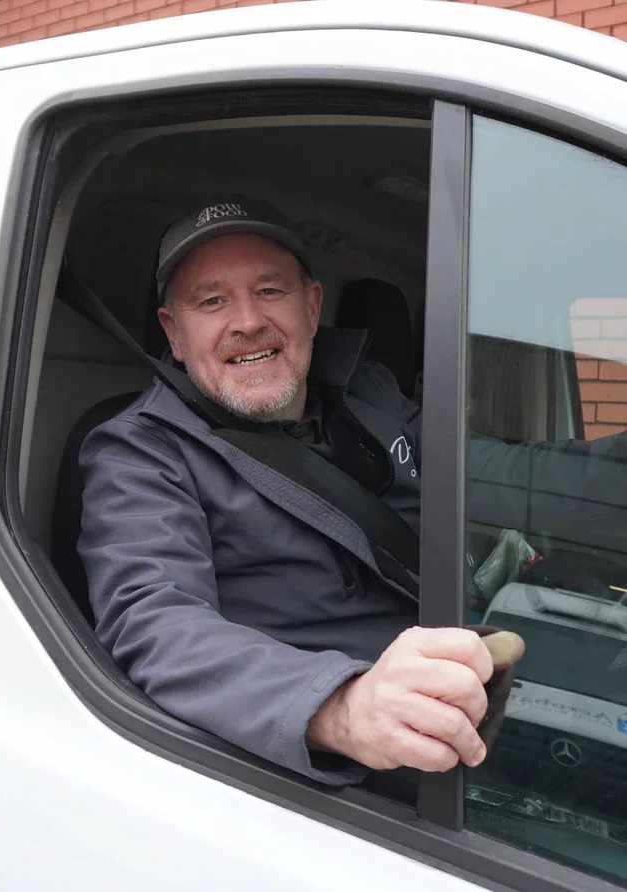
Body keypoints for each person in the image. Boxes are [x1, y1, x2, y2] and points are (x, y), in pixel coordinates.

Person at [77, 195, 625, 788]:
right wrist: (342, 708)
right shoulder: (140, 452)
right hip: (369, 780)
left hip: (493, 684)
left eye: (270, 291)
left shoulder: (371, 393)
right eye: (211, 301)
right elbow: (155, 622)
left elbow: (500, 475)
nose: (246, 322)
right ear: (174, 333)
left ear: (312, 308)